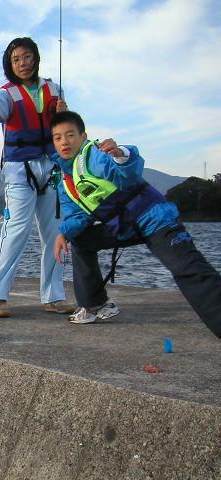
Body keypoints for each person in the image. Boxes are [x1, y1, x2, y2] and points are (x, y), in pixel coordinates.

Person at [51, 110, 221, 333]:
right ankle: (96, 304)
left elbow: (125, 167)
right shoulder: (65, 182)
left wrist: (120, 153)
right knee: (81, 240)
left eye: (70, 135)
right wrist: (64, 233)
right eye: (58, 137)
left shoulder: (94, 155)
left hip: (154, 219)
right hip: (124, 227)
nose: (64, 142)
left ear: (83, 137)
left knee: (186, 268)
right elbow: (78, 216)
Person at [0, 38, 73, 318]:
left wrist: (65, 115)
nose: (23, 63)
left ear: (35, 58)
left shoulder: (55, 90)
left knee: (55, 233)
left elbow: (66, 129)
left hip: (52, 169)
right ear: (10, 64)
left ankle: (54, 296)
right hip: (19, 171)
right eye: (16, 59)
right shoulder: (6, 95)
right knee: (16, 231)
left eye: (27, 57)